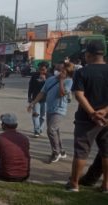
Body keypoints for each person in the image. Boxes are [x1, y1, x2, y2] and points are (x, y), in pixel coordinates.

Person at [66, 40, 108, 193]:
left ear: (88, 55)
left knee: (81, 151)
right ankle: (105, 185)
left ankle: (74, 184)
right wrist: (104, 111)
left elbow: (79, 95)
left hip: (86, 119)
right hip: (106, 117)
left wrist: (92, 113)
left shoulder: (82, 72)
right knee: (106, 151)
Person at [28, 61, 74, 163]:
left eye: (61, 70)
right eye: (57, 69)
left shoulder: (69, 81)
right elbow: (42, 92)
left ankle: (56, 152)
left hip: (59, 109)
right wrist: (33, 103)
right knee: (55, 130)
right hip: (50, 108)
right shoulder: (50, 79)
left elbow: (62, 93)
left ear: (66, 71)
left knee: (51, 130)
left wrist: (61, 80)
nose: (58, 71)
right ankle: (62, 151)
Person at [0, 113, 30, 182]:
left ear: (3, 125)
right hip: (24, 176)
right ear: (16, 125)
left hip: (7, 176)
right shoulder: (24, 138)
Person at [28, 61, 50, 137]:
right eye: (40, 69)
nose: (41, 71)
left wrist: (45, 80)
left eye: (43, 69)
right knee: (35, 114)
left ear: (47, 69)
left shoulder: (50, 76)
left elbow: (51, 88)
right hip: (35, 98)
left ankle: (40, 129)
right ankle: (36, 130)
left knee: (43, 116)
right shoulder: (34, 75)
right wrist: (29, 97)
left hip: (46, 99)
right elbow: (30, 86)